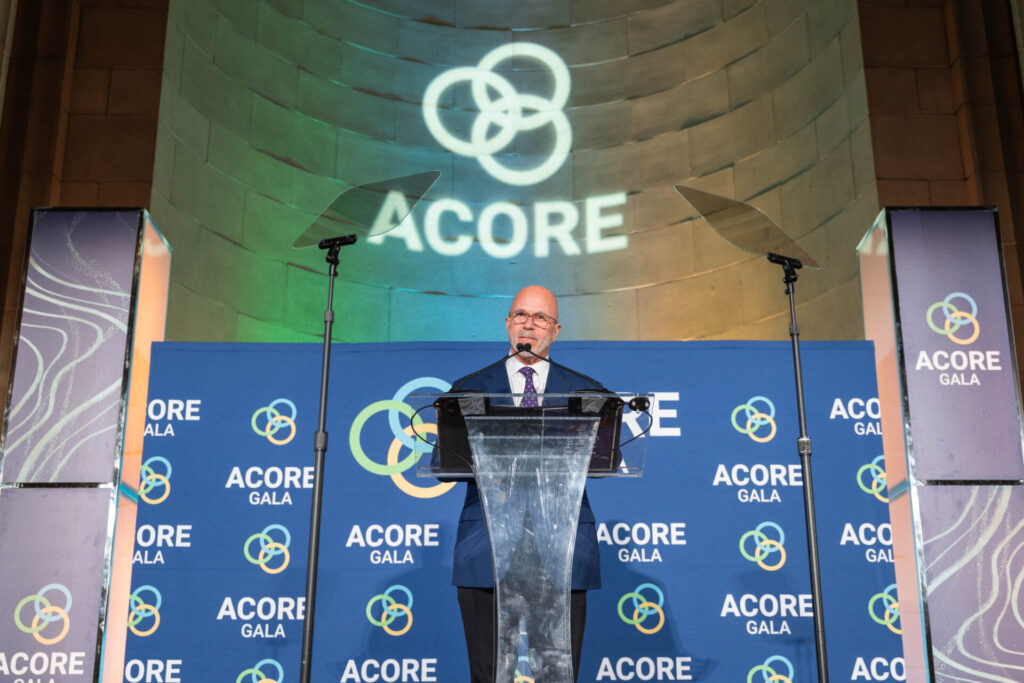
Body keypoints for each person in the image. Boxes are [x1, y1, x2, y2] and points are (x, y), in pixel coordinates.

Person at [447, 285, 603, 683]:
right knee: (487, 673)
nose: (528, 324)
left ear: (556, 329)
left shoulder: (587, 392)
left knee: (557, 673)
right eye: (520, 315)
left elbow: (604, 462)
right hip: (488, 549)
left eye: (540, 318)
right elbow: (446, 462)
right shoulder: (469, 389)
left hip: (561, 548)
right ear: (507, 324)